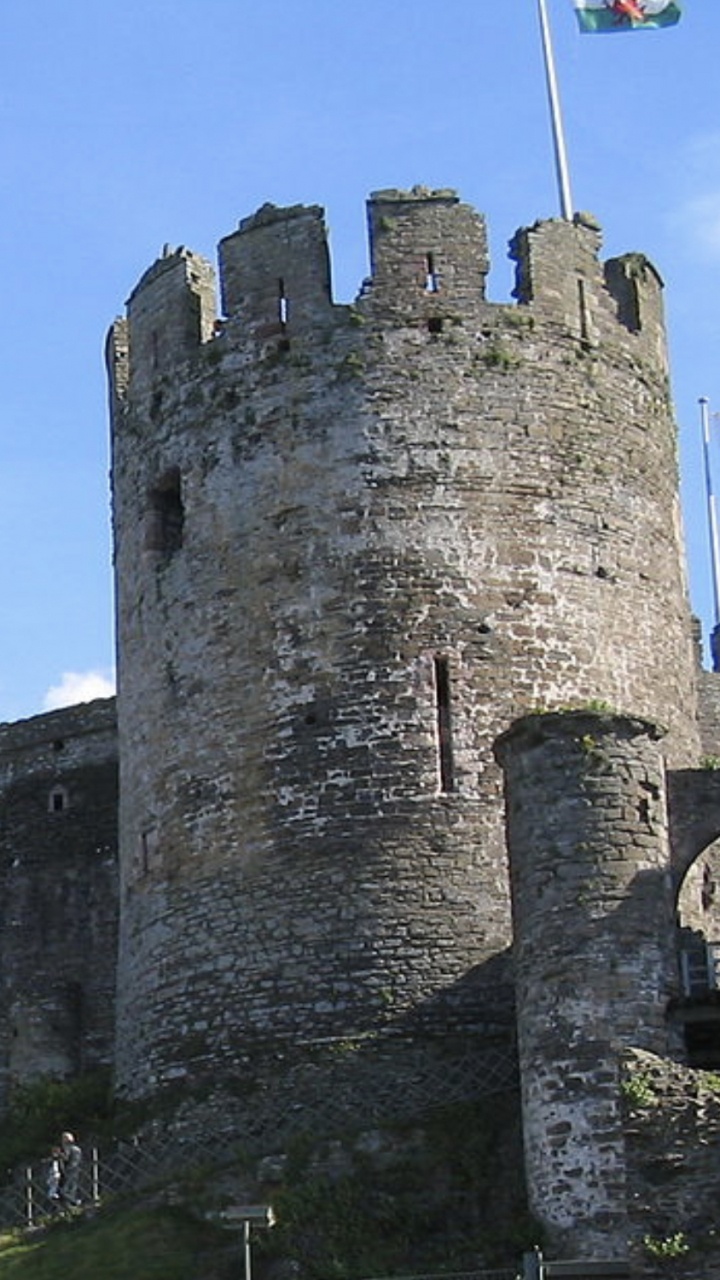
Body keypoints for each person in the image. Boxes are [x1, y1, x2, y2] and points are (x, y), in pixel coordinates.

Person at [58, 1131, 82, 1207]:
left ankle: (74, 1202)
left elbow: (66, 1158)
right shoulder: (77, 1148)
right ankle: (72, 1206)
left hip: (69, 1170)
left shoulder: (68, 1148)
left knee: (63, 1191)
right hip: (76, 1169)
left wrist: (60, 1155)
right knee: (72, 1189)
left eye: (63, 1138)